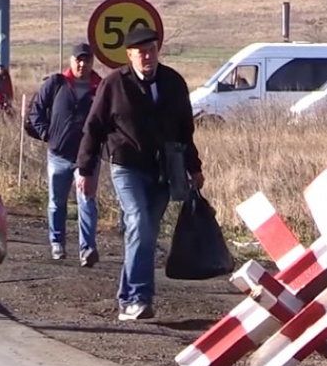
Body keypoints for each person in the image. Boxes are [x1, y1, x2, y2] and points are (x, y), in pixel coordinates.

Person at [76, 26, 204, 322]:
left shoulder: (173, 82)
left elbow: (186, 130)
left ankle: (126, 299)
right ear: (129, 55)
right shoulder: (114, 85)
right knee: (139, 222)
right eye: (141, 52)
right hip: (127, 166)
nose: (148, 56)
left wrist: (193, 167)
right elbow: (93, 127)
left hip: (163, 170)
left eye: (152, 50)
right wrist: (86, 168)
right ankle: (138, 298)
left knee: (145, 232)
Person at [26, 43, 102, 266]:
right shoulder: (57, 83)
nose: (82, 64)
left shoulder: (100, 87)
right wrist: (48, 135)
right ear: (71, 60)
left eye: (86, 60)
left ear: (92, 62)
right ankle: (57, 243)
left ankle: (87, 249)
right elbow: (36, 111)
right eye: (78, 59)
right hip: (58, 154)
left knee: (86, 201)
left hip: (87, 157)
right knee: (57, 202)